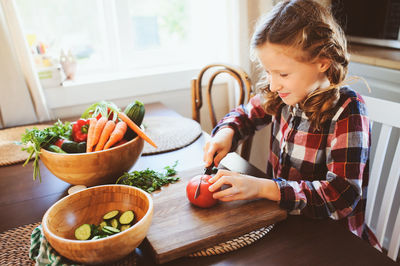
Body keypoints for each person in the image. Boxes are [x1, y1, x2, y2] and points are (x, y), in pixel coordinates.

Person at [204, 0, 380, 249]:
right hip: (286, 225)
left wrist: (264, 189)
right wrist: (226, 132)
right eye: (268, 72)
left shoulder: (348, 111)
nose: (273, 85)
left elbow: (341, 196)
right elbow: (244, 115)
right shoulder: (282, 94)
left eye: (283, 74)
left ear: (322, 61)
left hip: (333, 242)